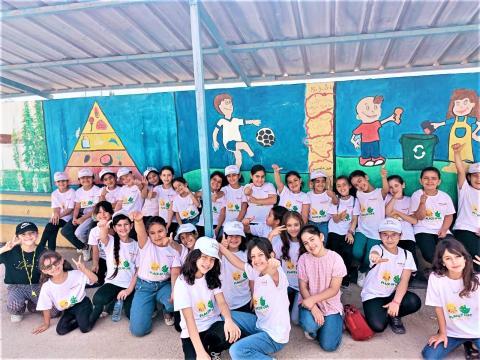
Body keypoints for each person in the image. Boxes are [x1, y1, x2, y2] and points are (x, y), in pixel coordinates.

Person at [219, 237, 290, 360]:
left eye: (261, 255)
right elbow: (236, 262)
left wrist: (274, 263)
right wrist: (220, 248)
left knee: (236, 351)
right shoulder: (255, 271)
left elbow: (274, 271)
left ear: (271, 255)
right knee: (226, 315)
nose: (256, 260)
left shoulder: (277, 274)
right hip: (260, 324)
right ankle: (250, 340)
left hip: (274, 336)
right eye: (253, 256)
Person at [173, 236, 241, 359]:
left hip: (211, 323)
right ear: (195, 256)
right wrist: (200, 352)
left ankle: (214, 350)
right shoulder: (182, 282)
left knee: (233, 334)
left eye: (212, 259)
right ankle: (203, 349)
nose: (208, 263)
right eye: (204, 257)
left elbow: (221, 302)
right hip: (192, 330)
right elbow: (189, 320)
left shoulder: (212, 275)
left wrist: (228, 320)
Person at [361, 218, 421, 334]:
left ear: (400, 235)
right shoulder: (377, 249)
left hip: (392, 294)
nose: (389, 239)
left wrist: (396, 302)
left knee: (414, 301)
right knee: (378, 326)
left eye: (394, 235)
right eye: (385, 235)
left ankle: (395, 314)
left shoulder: (406, 254)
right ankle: (387, 312)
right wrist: (375, 257)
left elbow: (404, 281)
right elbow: (374, 254)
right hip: (374, 295)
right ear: (380, 235)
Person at [422, 238, 479, 359]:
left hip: (477, 330)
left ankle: (471, 343)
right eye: (448, 258)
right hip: (453, 331)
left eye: (458, 256)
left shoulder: (477, 278)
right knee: (430, 356)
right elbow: (439, 307)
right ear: (442, 262)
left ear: (464, 258)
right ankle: (465, 341)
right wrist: (442, 333)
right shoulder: (436, 278)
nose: (454, 262)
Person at [129, 213, 181, 337]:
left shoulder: (173, 247)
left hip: (164, 285)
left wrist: (174, 291)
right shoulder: (146, 244)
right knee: (138, 331)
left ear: (166, 229)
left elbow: (175, 272)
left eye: (160, 231)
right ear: (148, 234)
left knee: (175, 302)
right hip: (144, 287)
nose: (157, 236)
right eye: (152, 233)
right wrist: (138, 221)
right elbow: (140, 232)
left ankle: (165, 309)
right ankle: (151, 307)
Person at [298, 225, 347, 351]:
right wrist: (313, 307)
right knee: (310, 326)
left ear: (321, 237)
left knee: (329, 346)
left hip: (330, 304)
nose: (310, 245)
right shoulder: (303, 259)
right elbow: (303, 287)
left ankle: (336, 321)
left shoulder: (336, 259)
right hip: (309, 302)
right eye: (306, 243)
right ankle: (317, 328)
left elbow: (334, 289)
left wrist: (313, 301)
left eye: (312, 239)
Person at [89, 214, 139, 325]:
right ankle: (113, 301)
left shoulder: (136, 245)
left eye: (126, 224)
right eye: (119, 225)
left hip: (129, 285)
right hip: (112, 283)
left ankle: (116, 301)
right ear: (115, 228)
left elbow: (137, 271)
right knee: (98, 300)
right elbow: (103, 237)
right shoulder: (110, 241)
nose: (123, 228)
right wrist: (103, 227)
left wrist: (129, 289)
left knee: (131, 314)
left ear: (131, 226)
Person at [33, 251, 97, 335]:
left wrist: (84, 270)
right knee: (60, 330)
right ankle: (80, 319)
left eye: (55, 263)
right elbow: (46, 306)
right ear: (44, 271)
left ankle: (96, 311)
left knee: (85, 328)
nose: (54, 267)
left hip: (82, 303)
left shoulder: (76, 274)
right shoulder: (46, 286)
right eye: (48, 267)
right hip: (68, 308)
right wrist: (46, 323)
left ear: (62, 260)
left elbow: (95, 280)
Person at [0, 222, 52, 322]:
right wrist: (4, 249)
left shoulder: (44, 252)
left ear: (37, 234)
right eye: (23, 234)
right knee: (14, 305)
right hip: (16, 286)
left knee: (53, 312)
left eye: (31, 232)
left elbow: (55, 269)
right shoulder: (10, 251)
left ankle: (33, 305)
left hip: (37, 285)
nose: (28, 236)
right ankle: (18, 310)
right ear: (17, 237)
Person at [349, 167, 389, 287]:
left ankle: (362, 270)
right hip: (362, 230)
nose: (359, 185)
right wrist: (351, 230)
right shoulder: (358, 194)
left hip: (376, 233)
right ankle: (362, 267)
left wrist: (383, 177)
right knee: (356, 253)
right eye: (356, 185)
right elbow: (356, 215)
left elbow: (386, 189)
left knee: (369, 257)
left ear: (366, 177)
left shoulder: (379, 192)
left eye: (360, 181)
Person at [411, 167, 456, 265]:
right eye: (426, 178)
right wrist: (422, 203)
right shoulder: (416, 195)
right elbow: (419, 217)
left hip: (442, 229)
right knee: (430, 255)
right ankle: (440, 272)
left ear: (439, 181)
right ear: (421, 180)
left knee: (453, 250)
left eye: (433, 178)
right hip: (423, 230)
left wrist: (444, 230)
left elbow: (449, 216)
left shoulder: (445, 196)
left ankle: (448, 272)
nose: (429, 181)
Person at [212, 93, 261, 169]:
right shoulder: (221, 121)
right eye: (227, 103)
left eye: (230, 103)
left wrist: (253, 121)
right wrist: (215, 141)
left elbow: (245, 121)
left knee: (239, 161)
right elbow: (215, 131)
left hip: (236, 143)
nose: (230, 106)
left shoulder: (235, 120)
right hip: (229, 143)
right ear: (220, 107)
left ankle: (237, 172)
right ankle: (254, 157)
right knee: (244, 145)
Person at [61, 168, 101, 261]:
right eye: (83, 178)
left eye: (88, 177)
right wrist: (75, 217)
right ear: (79, 180)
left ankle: (85, 247)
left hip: (93, 215)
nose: (86, 180)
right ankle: (84, 247)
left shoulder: (97, 190)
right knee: (65, 231)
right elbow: (77, 207)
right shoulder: (78, 191)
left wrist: (83, 219)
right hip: (81, 214)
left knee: (78, 233)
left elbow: (96, 208)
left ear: (93, 178)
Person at [451, 143, 480, 271]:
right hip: (465, 230)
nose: (478, 178)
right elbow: (460, 170)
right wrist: (457, 153)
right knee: (476, 261)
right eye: (475, 175)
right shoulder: (465, 190)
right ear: (469, 177)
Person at [327, 176, 359, 287]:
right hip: (334, 231)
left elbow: (355, 219)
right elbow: (335, 220)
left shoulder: (355, 201)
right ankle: (332, 277)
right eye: (338, 186)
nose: (342, 188)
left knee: (347, 254)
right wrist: (340, 216)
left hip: (347, 232)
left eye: (344, 184)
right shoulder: (335, 200)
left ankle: (344, 277)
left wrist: (350, 232)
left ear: (350, 186)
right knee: (334, 254)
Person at [273, 211, 303, 324]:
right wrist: (271, 235)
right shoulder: (281, 241)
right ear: (284, 227)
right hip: (286, 284)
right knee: (279, 315)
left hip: (302, 286)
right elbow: (267, 255)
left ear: (301, 224)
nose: (293, 228)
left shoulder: (305, 241)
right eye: (289, 225)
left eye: (296, 225)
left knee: (295, 320)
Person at [220, 221, 252, 313]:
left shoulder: (247, 253)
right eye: (230, 236)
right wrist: (221, 249)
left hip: (245, 300)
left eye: (237, 236)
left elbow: (251, 278)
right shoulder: (217, 253)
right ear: (224, 236)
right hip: (225, 304)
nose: (234, 239)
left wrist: (253, 295)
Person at [39, 172, 75, 251]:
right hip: (58, 217)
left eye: (63, 181)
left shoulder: (72, 192)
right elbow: (56, 207)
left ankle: (41, 246)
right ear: (55, 183)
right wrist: (55, 214)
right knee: (52, 228)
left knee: (51, 225)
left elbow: (70, 210)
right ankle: (51, 251)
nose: (61, 183)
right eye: (58, 181)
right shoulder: (54, 194)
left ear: (67, 181)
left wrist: (57, 217)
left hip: (68, 218)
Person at [87, 201, 114, 286]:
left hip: (116, 257)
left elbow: (112, 235)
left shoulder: (116, 226)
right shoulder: (94, 231)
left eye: (105, 211)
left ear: (111, 213)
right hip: (103, 258)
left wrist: (105, 227)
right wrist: (95, 263)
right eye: (99, 212)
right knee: (96, 276)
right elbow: (95, 249)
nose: (102, 214)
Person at [307, 170, 337, 242]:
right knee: (311, 241)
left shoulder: (328, 193)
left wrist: (333, 196)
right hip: (311, 222)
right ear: (312, 183)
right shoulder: (308, 194)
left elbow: (336, 203)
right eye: (317, 181)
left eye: (323, 181)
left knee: (323, 241)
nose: (321, 184)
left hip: (325, 223)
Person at [195, 171, 227, 238]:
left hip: (215, 225)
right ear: (209, 180)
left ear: (221, 185)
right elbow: (196, 194)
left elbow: (222, 214)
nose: (216, 183)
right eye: (214, 179)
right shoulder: (204, 190)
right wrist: (209, 195)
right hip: (201, 224)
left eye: (219, 182)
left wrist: (217, 229)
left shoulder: (222, 195)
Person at [155, 166, 177, 234]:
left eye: (169, 175)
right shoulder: (157, 189)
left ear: (173, 176)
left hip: (173, 222)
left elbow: (172, 209)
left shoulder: (175, 190)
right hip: (160, 221)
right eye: (164, 175)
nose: (166, 178)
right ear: (160, 177)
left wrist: (168, 224)